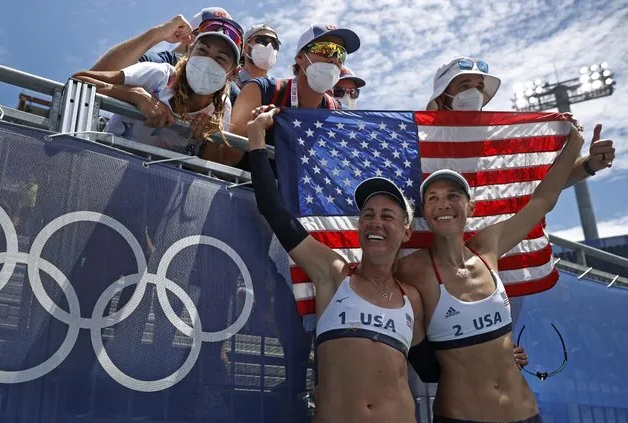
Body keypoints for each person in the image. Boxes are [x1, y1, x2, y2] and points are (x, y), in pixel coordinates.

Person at [395, 122, 606, 421]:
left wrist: (575, 147)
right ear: (424, 214)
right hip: (461, 415)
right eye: (433, 198)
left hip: (525, 412)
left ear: (471, 208)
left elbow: (541, 200)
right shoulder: (411, 269)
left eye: (453, 195)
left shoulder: (487, 248)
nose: (444, 204)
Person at [246, 104, 441, 423]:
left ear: (406, 232)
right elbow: (276, 213)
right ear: (359, 227)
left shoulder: (413, 300)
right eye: (368, 215)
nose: (376, 222)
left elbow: (431, 370)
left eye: (387, 216)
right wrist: (256, 136)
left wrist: (496, 357)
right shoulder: (333, 275)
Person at [426, 57, 615, 187]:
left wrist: (590, 164)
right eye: (465, 86)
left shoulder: (501, 141)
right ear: (441, 98)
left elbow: (545, 184)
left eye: (479, 87)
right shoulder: (416, 144)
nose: (474, 94)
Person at [72, 13, 242, 157]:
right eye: (202, 51)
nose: (207, 61)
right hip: (106, 160)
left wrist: (209, 137)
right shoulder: (158, 75)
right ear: (189, 51)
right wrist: (136, 96)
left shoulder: (222, 108)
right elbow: (79, 79)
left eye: (220, 58)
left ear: (233, 73)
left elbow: (211, 164)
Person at [221, 24, 360, 169]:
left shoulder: (341, 114)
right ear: (300, 57)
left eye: (340, 54)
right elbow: (227, 158)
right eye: (325, 49)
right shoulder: (261, 90)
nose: (333, 59)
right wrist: (254, 133)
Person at [90, 8, 242, 106]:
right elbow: (95, 78)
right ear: (191, 38)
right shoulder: (162, 66)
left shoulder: (227, 90)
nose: (210, 59)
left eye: (222, 54)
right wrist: (158, 33)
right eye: (206, 38)